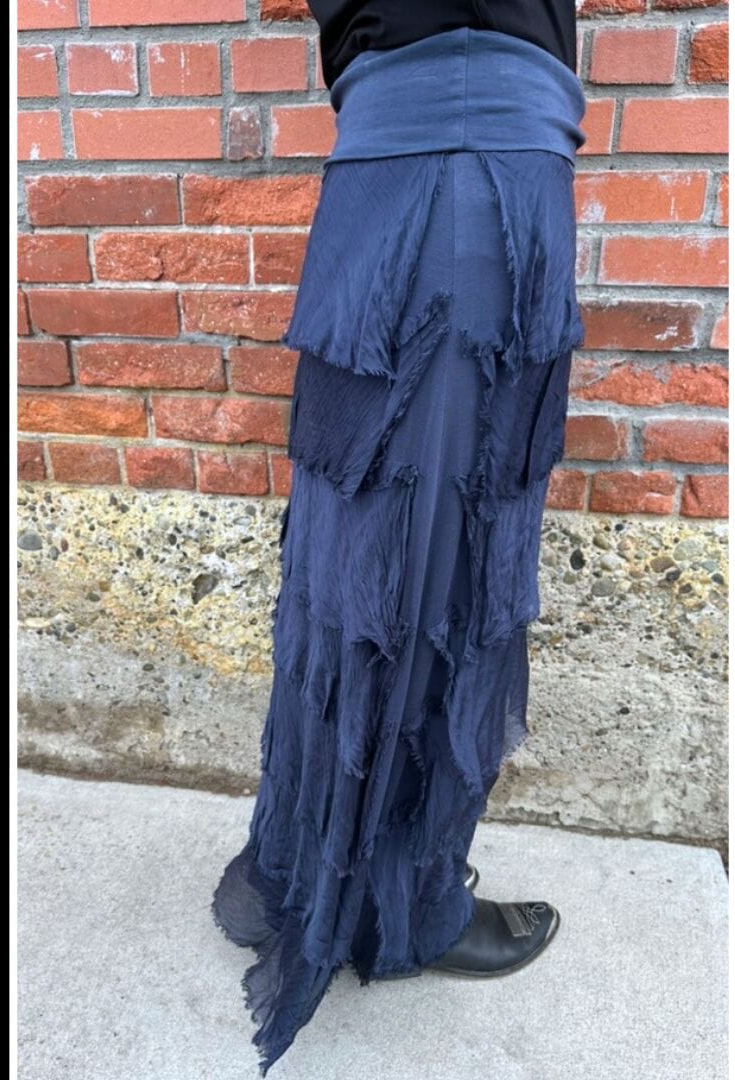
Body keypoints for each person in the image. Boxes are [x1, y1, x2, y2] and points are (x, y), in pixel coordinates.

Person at [211, 2, 585, 1073]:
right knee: (427, 567)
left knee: (365, 555)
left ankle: (313, 872)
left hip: (392, 170)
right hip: (472, 178)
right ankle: (396, 910)